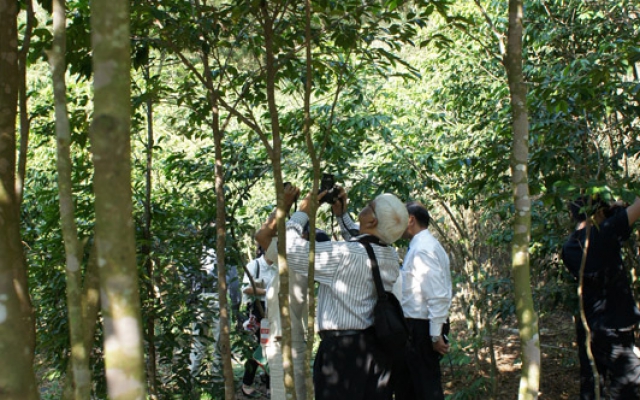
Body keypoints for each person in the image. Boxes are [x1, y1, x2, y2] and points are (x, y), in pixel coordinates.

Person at [255, 184, 409, 400]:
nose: (364, 208)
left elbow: (290, 249)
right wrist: (341, 215)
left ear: (372, 221)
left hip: (342, 353)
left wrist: (303, 211)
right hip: (374, 349)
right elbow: (364, 242)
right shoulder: (390, 256)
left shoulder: (344, 256)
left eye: (369, 207)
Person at [561, 195, 640, 400]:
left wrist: (611, 211)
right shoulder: (604, 234)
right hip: (614, 329)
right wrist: (616, 210)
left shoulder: (570, 247)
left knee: (592, 383)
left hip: (589, 325)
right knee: (628, 386)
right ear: (597, 211)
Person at [264, 221, 331, 400]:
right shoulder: (301, 267)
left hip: (284, 342)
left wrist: (289, 208)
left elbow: (262, 235)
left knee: (284, 395)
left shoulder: (295, 265)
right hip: (290, 338)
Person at [391, 201, 452, 400]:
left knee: (426, 387)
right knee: (412, 387)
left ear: (410, 220)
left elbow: (437, 294)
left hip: (422, 329)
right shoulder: (420, 246)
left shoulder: (424, 249)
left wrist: (435, 335)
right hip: (416, 328)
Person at [241, 248, 277, 397]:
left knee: (273, 348)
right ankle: (246, 382)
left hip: (274, 310)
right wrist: (266, 291)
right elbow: (245, 289)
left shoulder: (278, 267)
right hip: (257, 309)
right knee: (258, 349)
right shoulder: (254, 265)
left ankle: (270, 385)